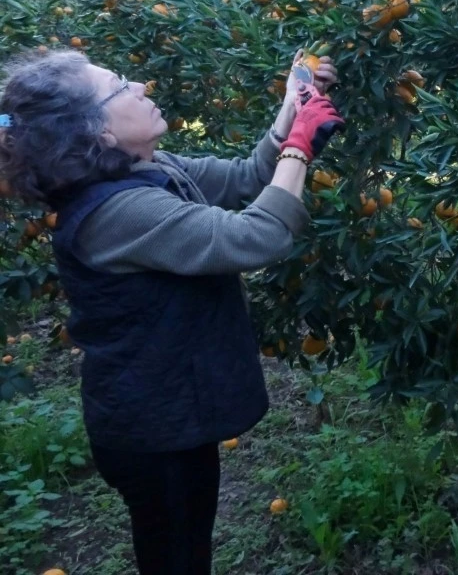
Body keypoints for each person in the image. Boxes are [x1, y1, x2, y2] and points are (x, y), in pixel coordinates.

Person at [0, 49, 344, 575]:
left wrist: (291, 110)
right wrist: (299, 147)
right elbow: (253, 237)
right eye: (119, 87)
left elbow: (247, 178)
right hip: (153, 426)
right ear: (99, 133)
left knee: (187, 546)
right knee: (177, 557)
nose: (139, 85)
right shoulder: (117, 213)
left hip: (173, 408)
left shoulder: (147, 168)